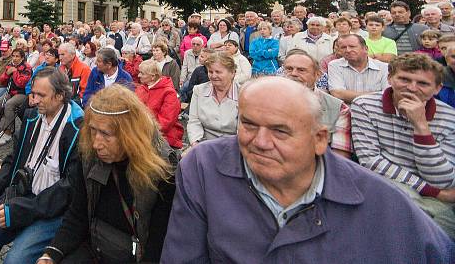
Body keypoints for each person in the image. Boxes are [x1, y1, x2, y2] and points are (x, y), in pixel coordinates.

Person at [162, 76, 454, 263]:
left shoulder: (382, 203)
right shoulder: (204, 166)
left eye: (280, 131)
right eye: (248, 124)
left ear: (319, 140)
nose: (260, 142)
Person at [36, 85, 176, 263]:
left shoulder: (161, 169)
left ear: (130, 134)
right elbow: (77, 214)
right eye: (93, 130)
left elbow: (158, 241)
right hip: (95, 245)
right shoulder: (89, 154)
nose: (96, 143)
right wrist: (52, 253)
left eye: (105, 134)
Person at [0, 67, 84, 264]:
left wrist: (24, 210)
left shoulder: (78, 128)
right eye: (33, 93)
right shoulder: (31, 116)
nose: (33, 100)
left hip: (53, 210)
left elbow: (69, 188)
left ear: (60, 95)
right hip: (21, 196)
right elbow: (13, 159)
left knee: (16, 261)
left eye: (40, 95)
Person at [351, 53, 455, 237]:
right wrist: (431, 191)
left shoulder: (449, 118)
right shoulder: (364, 105)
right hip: (387, 187)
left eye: (423, 83)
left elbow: (443, 179)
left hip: (434, 198)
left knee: (440, 231)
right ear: (390, 78)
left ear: (438, 88)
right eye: (404, 79)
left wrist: (421, 126)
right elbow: (371, 161)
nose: (412, 88)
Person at [282, 49, 353, 157]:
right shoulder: (265, 100)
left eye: (301, 70)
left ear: (317, 75)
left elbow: (339, 158)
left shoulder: (339, 108)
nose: (293, 74)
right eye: (289, 69)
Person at [186, 52, 240, 147]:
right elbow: (194, 121)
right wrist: (196, 144)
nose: (213, 76)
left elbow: (244, 129)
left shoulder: (244, 94)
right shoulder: (199, 90)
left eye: (218, 72)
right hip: (204, 144)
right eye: (210, 72)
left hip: (234, 146)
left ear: (232, 73)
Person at [0, 48, 32, 146]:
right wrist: (7, 73)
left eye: (17, 56)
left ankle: (8, 132)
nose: (14, 58)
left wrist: (15, 72)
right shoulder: (10, 65)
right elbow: (2, 79)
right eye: (13, 56)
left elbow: (21, 83)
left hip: (22, 93)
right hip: (11, 91)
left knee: (9, 105)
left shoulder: (27, 67)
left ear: (22, 58)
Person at [327, 34, 389, 103]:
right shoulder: (334, 65)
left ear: (365, 49)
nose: (348, 50)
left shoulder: (384, 68)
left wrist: (348, 95)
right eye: (343, 47)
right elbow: (337, 94)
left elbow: (388, 95)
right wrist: (376, 95)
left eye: (352, 46)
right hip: (347, 112)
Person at [135, 60, 183, 149]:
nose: (138, 75)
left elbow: (165, 122)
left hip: (163, 136)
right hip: (141, 132)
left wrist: (141, 132)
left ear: (152, 76)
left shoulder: (169, 93)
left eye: (142, 73)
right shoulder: (141, 88)